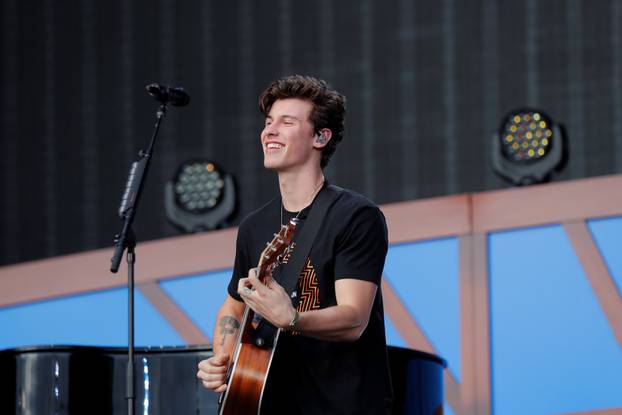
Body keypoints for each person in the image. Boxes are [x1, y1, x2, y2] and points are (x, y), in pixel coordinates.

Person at [197, 75, 393, 414]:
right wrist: (224, 357)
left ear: (320, 137)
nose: (269, 131)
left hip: (343, 405)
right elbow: (234, 305)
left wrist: (293, 319)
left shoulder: (356, 216)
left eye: (286, 122)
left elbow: (354, 319)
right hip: (271, 402)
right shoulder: (254, 226)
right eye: (269, 122)